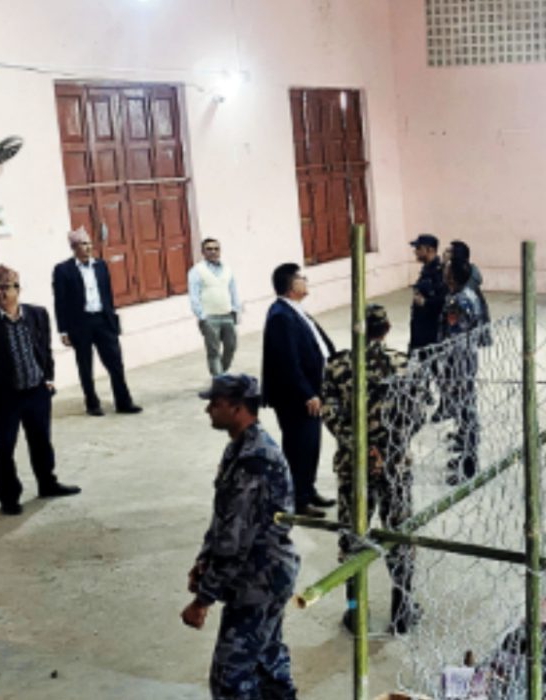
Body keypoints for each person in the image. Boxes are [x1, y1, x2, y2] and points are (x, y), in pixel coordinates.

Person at [183, 373, 300, 700]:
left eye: (215, 404)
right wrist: (204, 559)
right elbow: (223, 517)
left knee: (230, 678)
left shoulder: (254, 459)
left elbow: (235, 541)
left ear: (237, 408)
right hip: (261, 576)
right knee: (267, 660)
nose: (209, 410)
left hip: (259, 579)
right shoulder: (239, 448)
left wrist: (202, 600)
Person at [321, 304, 430, 635]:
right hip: (394, 467)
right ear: (386, 329)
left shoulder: (337, 365)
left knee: (354, 539)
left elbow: (329, 411)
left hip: (353, 468)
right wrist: (389, 449)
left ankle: (356, 612)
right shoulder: (404, 364)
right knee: (398, 537)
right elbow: (420, 411)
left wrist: (360, 448)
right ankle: (401, 612)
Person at [0, 265, 80, 515]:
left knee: (41, 441)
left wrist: (49, 378)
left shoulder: (37, 314)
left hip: (36, 391)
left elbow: (45, 349)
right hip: (3, 397)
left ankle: (47, 483)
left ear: (17, 289)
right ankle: (9, 498)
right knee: (4, 447)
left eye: (5, 288)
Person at [261, 263, 336, 519]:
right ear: (292, 286)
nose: (306, 281)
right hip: (296, 397)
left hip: (313, 390)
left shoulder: (294, 310)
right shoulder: (281, 315)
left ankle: (307, 488)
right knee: (299, 446)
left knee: (310, 445)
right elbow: (287, 361)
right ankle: (298, 499)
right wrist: (307, 393)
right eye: (302, 278)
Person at [52, 227, 141, 416]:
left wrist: (113, 319)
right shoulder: (63, 270)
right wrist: (63, 330)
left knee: (115, 363)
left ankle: (123, 401)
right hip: (80, 323)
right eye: (83, 244)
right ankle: (92, 403)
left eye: (89, 243)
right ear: (74, 247)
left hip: (102, 320)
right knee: (85, 365)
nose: (88, 247)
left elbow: (107, 294)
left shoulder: (100, 265)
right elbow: (60, 301)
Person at [440, 259, 483, 486]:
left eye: (447, 270)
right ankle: (466, 456)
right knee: (465, 408)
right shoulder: (470, 294)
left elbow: (453, 333)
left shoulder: (458, 300)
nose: (444, 273)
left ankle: (468, 464)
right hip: (467, 356)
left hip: (460, 361)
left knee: (465, 410)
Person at [189, 238, 242, 378]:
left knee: (231, 347)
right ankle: (219, 381)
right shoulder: (197, 271)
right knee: (213, 352)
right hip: (209, 317)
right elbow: (194, 296)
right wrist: (202, 316)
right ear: (203, 252)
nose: (213, 252)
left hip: (228, 315)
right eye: (209, 249)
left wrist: (236, 310)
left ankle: (221, 375)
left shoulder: (227, 270)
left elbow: (233, 291)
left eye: (216, 249)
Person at [408, 234, 446, 358]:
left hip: (431, 331)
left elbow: (444, 300)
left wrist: (425, 303)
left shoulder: (439, 272)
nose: (415, 252)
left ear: (430, 250)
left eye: (419, 248)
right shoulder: (426, 270)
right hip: (420, 328)